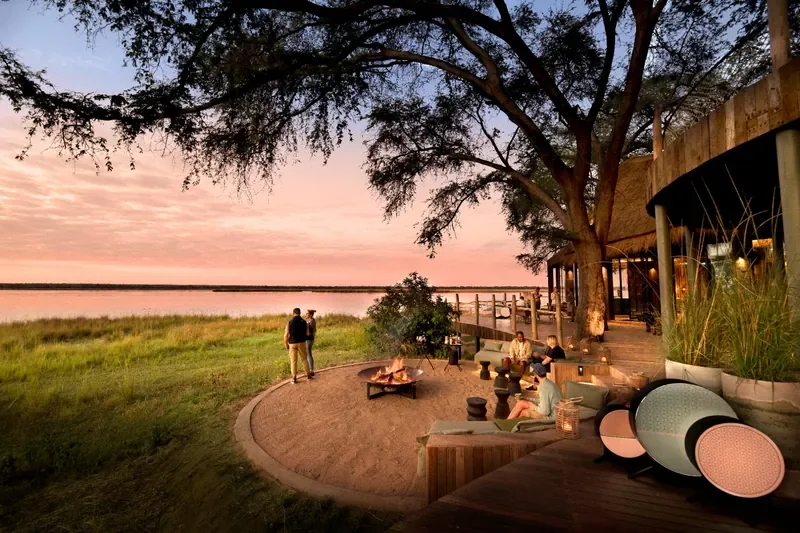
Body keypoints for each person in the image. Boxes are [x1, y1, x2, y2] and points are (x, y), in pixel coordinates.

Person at [284, 307, 312, 384]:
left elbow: (286, 335)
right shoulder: (304, 322)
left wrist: (286, 344)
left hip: (292, 344)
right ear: (300, 313)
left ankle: (294, 378)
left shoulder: (289, 322)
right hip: (301, 343)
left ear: (293, 313)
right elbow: (308, 334)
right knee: (304, 359)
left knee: (293, 361)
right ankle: (308, 375)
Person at [304, 309, 317, 377]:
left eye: (307, 313)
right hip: (309, 339)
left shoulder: (311, 321)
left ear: (310, 315)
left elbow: (310, 331)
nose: (305, 314)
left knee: (309, 354)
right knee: (308, 354)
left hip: (309, 339)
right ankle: (310, 369)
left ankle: (311, 370)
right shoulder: (309, 320)